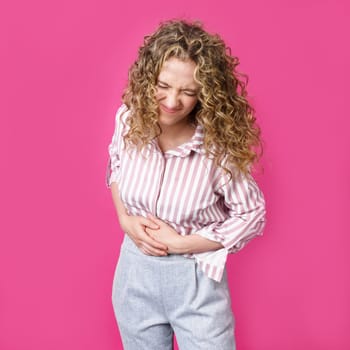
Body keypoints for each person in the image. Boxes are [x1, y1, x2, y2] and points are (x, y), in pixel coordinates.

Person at [106, 19, 266, 350]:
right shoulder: (127, 119)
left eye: (188, 91)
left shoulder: (217, 149)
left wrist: (181, 244)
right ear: (148, 78)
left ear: (205, 95)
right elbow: (116, 164)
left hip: (196, 282)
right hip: (134, 274)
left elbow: (252, 213)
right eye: (163, 85)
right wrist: (124, 218)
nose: (172, 101)